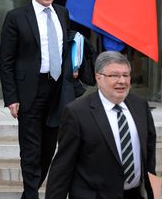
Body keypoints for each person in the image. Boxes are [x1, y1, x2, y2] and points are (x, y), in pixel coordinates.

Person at [0, 0, 72, 199]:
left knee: (49, 149)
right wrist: (11, 97)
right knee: (30, 150)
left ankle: (27, 194)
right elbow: (6, 61)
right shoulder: (16, 17)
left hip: (57, 89)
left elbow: (63, 51)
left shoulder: (62, 13)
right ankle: (31, 195)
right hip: (29, 91)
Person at [46, 51, 156, 199]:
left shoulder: (140, 106)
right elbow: (62, 168)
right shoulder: (77, 113)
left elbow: (149, 157)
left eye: (126, 75)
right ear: (99, 78)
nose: (122, 81)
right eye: (114, 75)